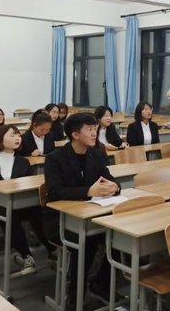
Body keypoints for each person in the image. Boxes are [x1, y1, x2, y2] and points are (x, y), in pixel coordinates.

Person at [43, 113, 121, 307]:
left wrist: (115, 187)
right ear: (75, 134)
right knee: (86, 242)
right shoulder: (55, 158)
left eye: (95, 129)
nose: (95, 133)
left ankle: (100, 283)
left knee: (120, 236)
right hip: (61, 218)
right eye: (90, 129)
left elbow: (109, 179)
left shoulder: (97, 154)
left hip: (91, 214)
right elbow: (54, 192)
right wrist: (88, 191)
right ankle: (75, 293)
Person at [0, 125, 54, 274]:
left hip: (20, 204)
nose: (17, 138)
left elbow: (28, 185)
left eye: (18, 135)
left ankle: (52, 249)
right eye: (12, 135)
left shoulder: (23, 162)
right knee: (9, 214)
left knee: (38, 210)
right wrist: (1, 196)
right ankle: (26, 255)